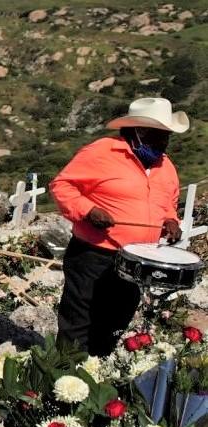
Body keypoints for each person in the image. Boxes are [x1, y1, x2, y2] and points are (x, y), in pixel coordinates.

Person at [51, 97, 189, 356]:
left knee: (116, 320)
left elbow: (167, 202)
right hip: (94, 255)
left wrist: (171, 220)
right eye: (157, 135)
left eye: (166, 136)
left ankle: (98, 370)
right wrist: (88, 211)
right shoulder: (101, 152)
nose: (163, 142)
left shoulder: (165, 166)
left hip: (138, 260)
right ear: (137, 132)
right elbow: (62, 185)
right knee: (79, 319)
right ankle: (65, 377)